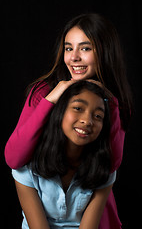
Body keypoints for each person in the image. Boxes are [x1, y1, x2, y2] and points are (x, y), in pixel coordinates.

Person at [5, 13, 132, 228]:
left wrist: (110, 104)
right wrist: (52, 98)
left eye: (85, 48)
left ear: (104, 52)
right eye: (68, 48)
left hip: (89, 211)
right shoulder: (43, 92)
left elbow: (111, 165)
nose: (74, 58)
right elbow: (14, 158)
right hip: (44, 209)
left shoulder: (111, 101)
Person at [12, 81, 116, 229]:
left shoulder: (103, 168)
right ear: (60, 112)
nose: (87, 121)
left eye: (98, 116)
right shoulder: (26, 165)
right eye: (78, 108)